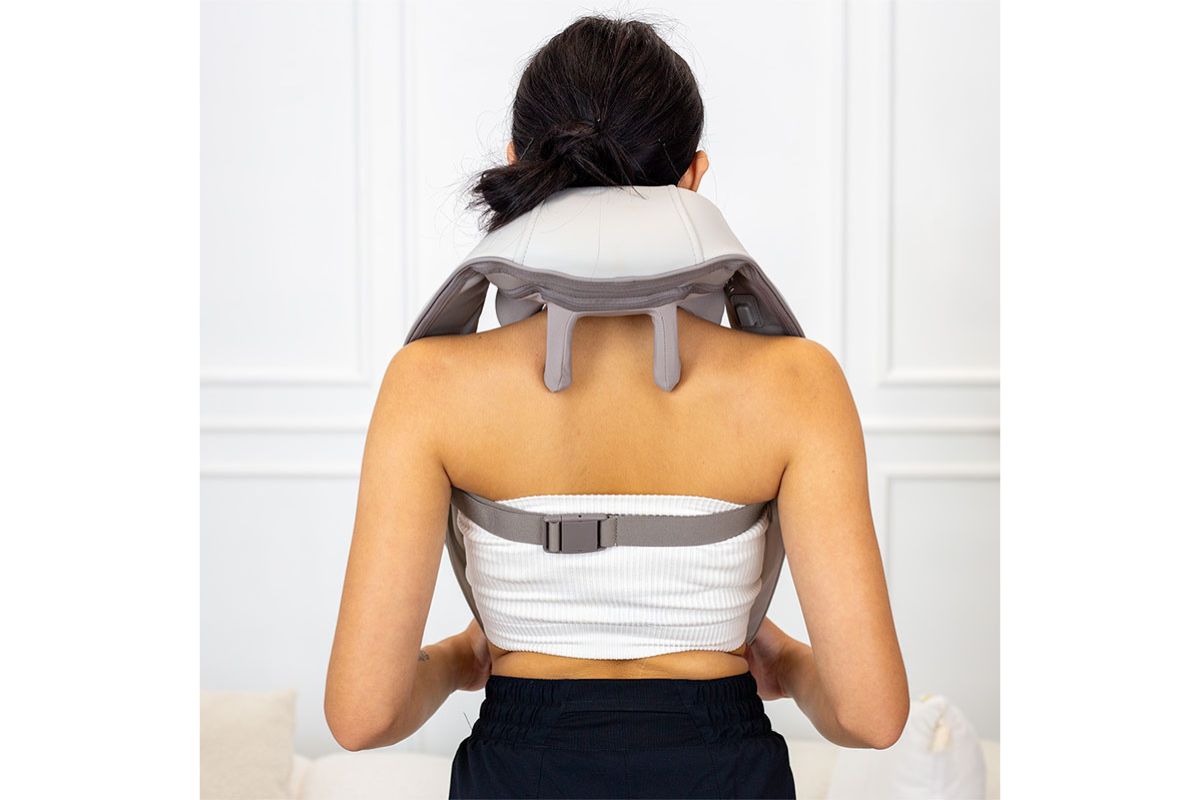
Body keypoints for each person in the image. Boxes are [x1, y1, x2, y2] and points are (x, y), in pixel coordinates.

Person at [325, 14, 908, 799]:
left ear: (518, 164)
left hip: (519, 770)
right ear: (693, 177)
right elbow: (871, 716)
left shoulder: (429, 385)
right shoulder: (798, 385)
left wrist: (464, 657)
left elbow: (362, 717)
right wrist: (788, 661)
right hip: (724, 768)